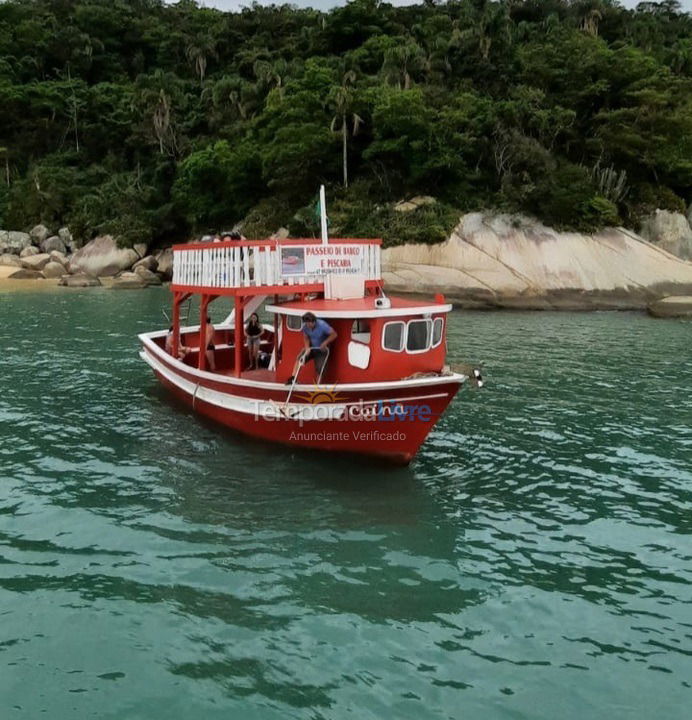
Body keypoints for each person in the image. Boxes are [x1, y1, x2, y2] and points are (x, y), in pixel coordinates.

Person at [285, 312, 337, 385]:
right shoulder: (305, 327)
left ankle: (317, 385)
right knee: (300, 358)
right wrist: (307, 348)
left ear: (314, 321)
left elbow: (334, 334)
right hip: (312, 347)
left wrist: (325, 343)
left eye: (309, 324)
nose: (308, 325)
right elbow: (306, 338)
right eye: (306, 323)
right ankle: (293, 379)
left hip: (322, 349)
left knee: (320, 368)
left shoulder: (323, 325)